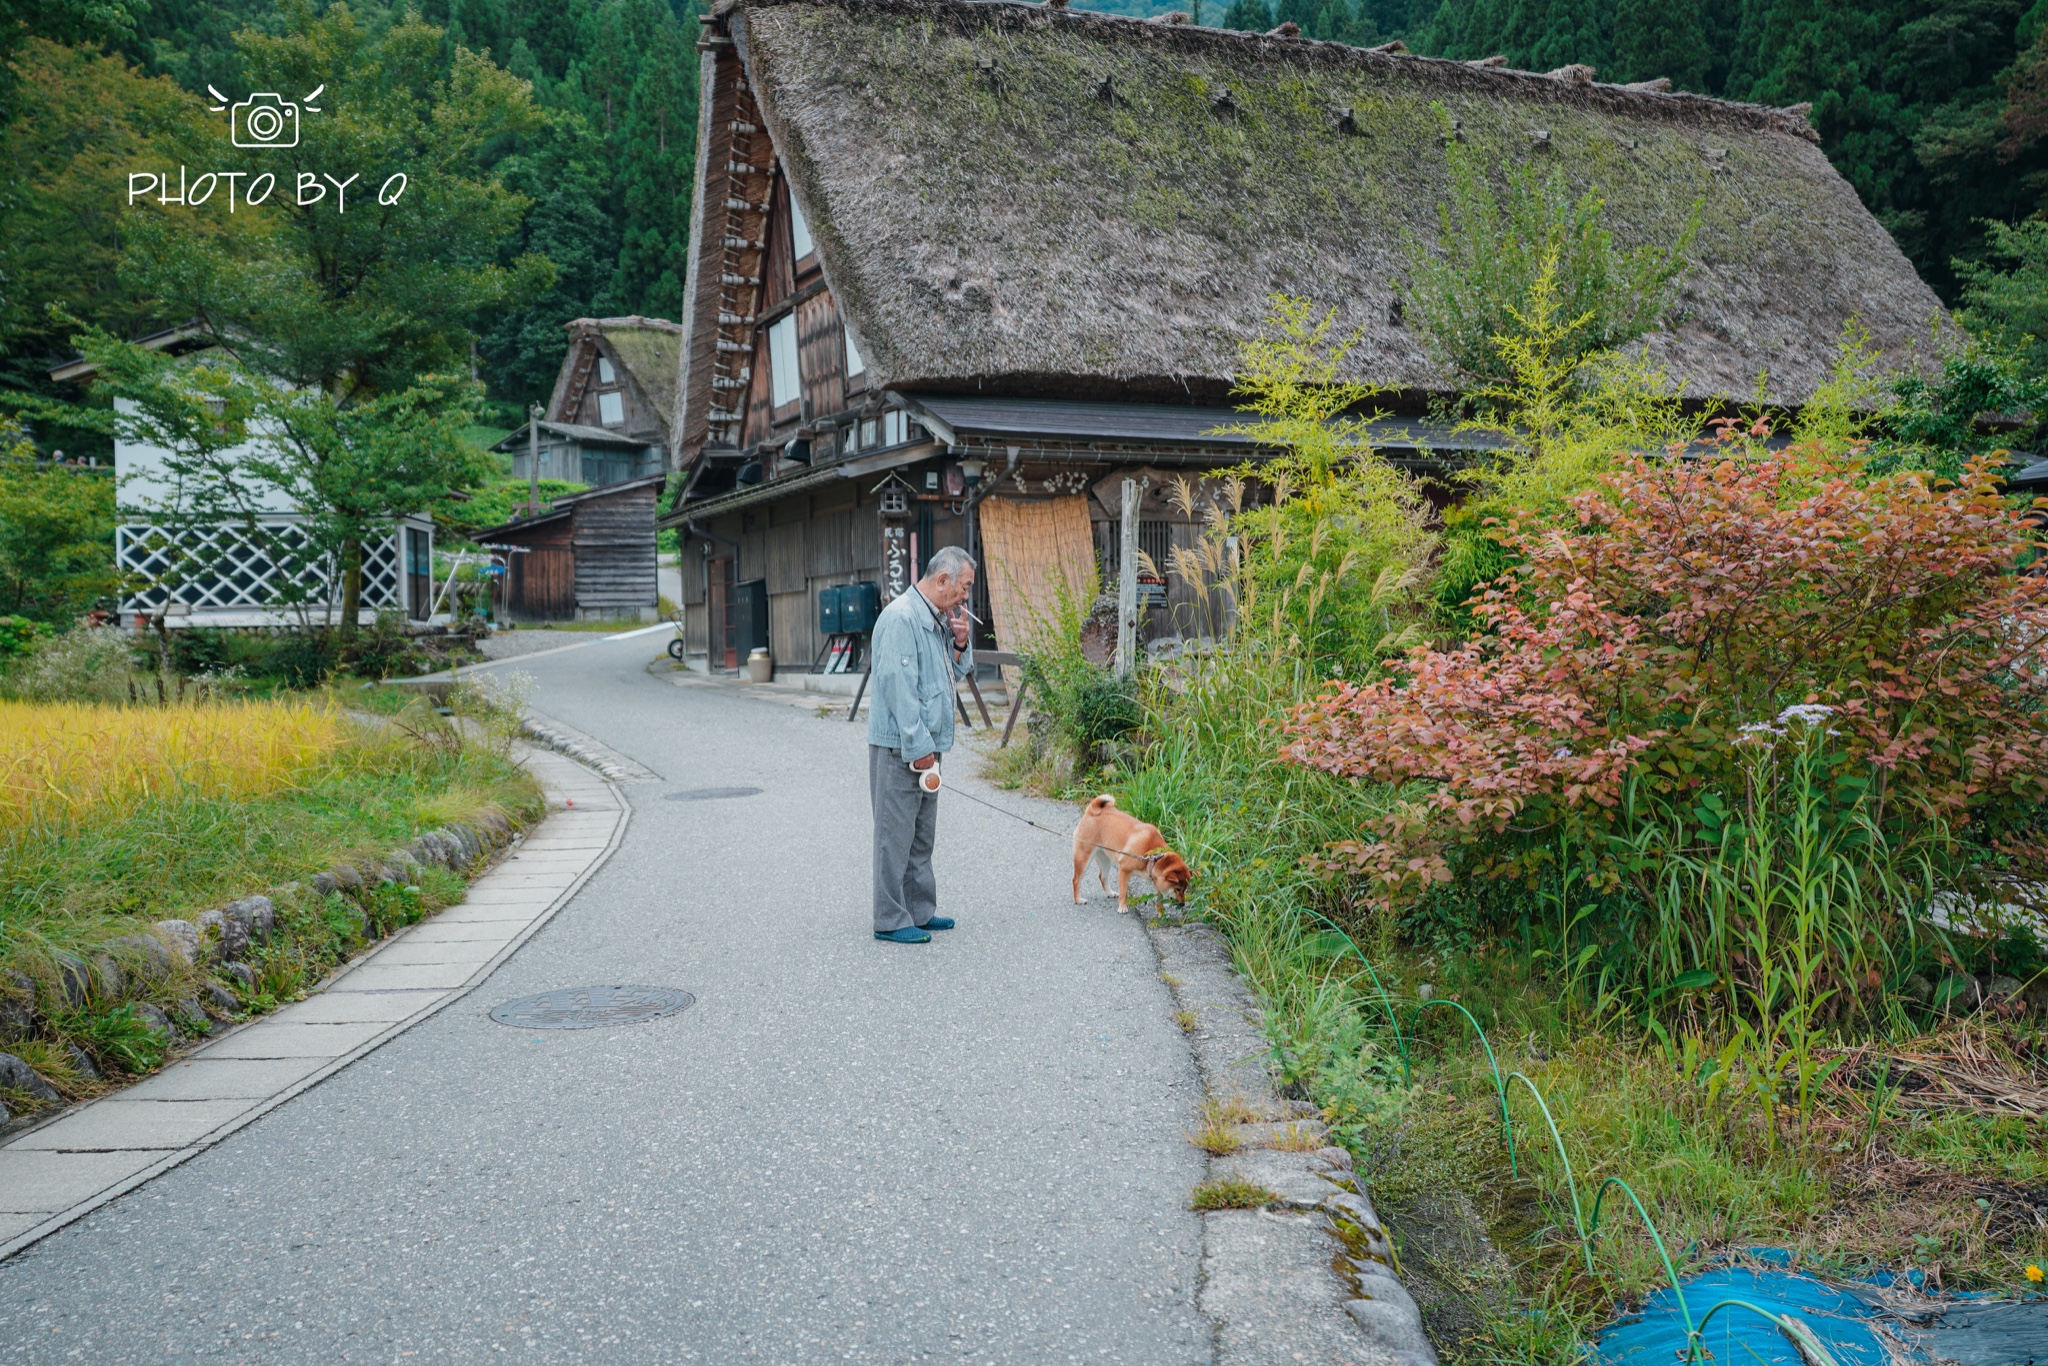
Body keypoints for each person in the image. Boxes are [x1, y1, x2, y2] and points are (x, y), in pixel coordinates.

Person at [866, 545, 976, 944]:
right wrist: (917, 746)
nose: (965, 596)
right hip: (902, 745)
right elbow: (899, 689)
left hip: (926, 745)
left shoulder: (936, 619)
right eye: (963, 587)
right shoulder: (901, 618)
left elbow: (953, 676)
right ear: (942, 579)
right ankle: (889, 919)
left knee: (920, 835)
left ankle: (919, 910)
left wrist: (960, 644)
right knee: (894, 835)